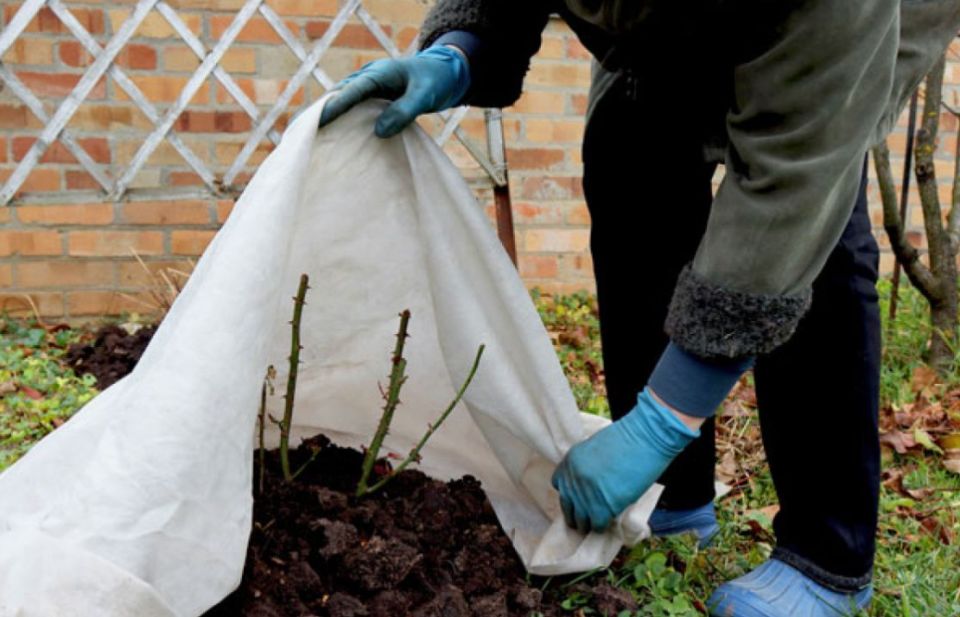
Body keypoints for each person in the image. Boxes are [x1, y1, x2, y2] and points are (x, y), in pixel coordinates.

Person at [318, 2, 960, 615]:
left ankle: (828, 556)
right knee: (629, 146)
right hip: (670, 26)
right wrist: (464, 47)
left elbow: (794, 178)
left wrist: (663, 420)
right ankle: (673, 499)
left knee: (816, 226)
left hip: (848, 27)